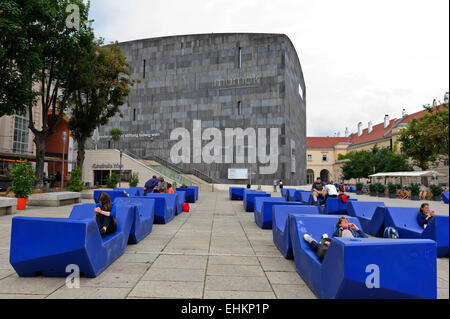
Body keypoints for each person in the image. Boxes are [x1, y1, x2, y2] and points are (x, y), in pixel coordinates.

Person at [303, 216, 368, 261]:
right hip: (343, 250)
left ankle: (323, 240)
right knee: (321, 252)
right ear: (340, 225)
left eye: (348, 221)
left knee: (323, 247)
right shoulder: (339, 232)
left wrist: (357, 229)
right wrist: (331, 243)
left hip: (355, 249)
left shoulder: (355, 232)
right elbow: (334, 240)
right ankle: (312, 241)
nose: (347, 221)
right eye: (344, 221)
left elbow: (366, 239)